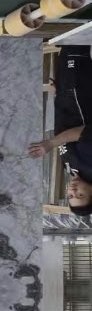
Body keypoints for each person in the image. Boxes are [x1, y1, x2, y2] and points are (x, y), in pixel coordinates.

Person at [28, 43, 92, 214]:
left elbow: (64, 130)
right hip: (80, 88)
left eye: (71, 196)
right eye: (80, 195)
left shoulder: (73, 170)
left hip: (67, 92)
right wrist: (50, 143)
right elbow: (84, 132)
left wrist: (60, 94)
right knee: (77, 41)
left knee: (68, 44)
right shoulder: (90, 165)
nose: (73, 191)